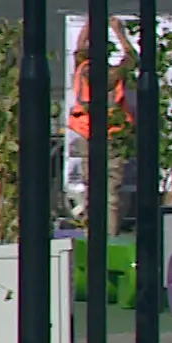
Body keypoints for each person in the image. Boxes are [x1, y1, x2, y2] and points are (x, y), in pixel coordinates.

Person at [67, 17, 138, 228]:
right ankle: (108, 236)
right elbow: (132, 58)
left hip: (86, 133)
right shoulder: (110, 74)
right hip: (111, 134)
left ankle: (93, 235)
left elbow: (79, 47)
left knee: (93, 190)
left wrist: (90, 24)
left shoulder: (83, 69)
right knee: (111, 194)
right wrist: (119, 32)